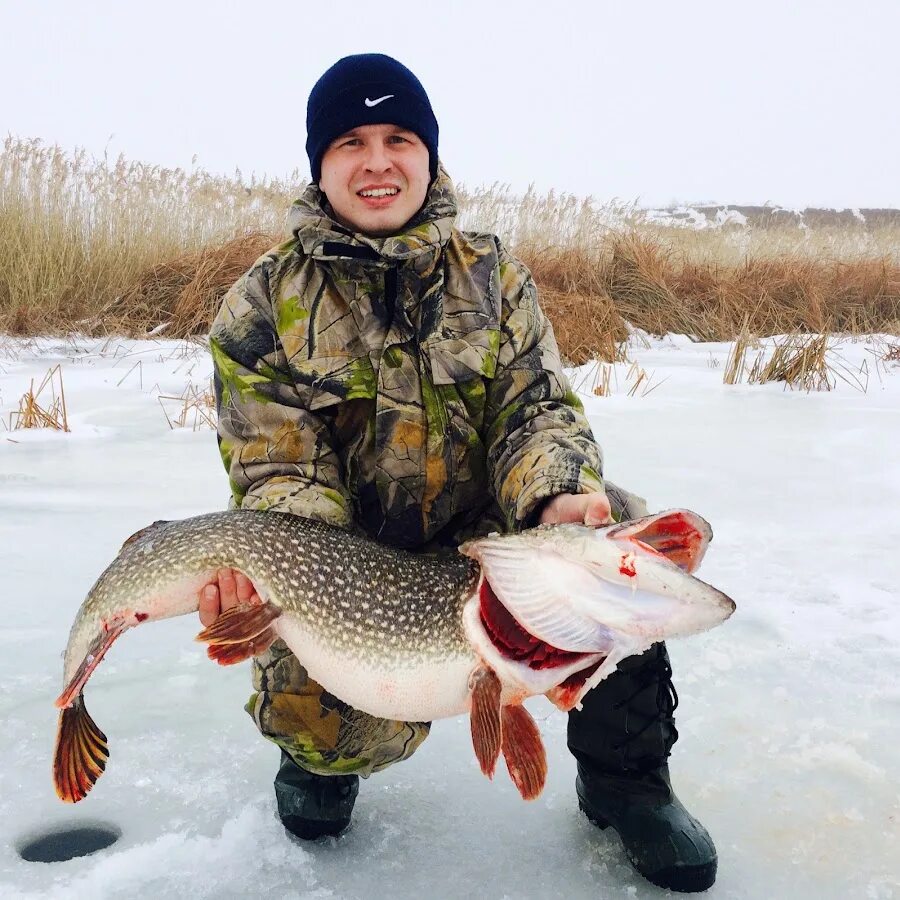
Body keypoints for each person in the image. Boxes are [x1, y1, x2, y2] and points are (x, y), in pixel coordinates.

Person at [201, 53, 718, 893]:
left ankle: (628, 781)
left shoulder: (495, 278)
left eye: (400, 137)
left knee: (617, 544)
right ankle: (322, 761)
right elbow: (276, 470)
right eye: (351, 142)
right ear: (319, 165)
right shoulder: (260, 306)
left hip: (494, 544)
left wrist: (558, 497)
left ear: (429, 155)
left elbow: (536, 411)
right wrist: (297, 577)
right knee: (321, 700)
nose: (378, 161)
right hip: (350, 552)